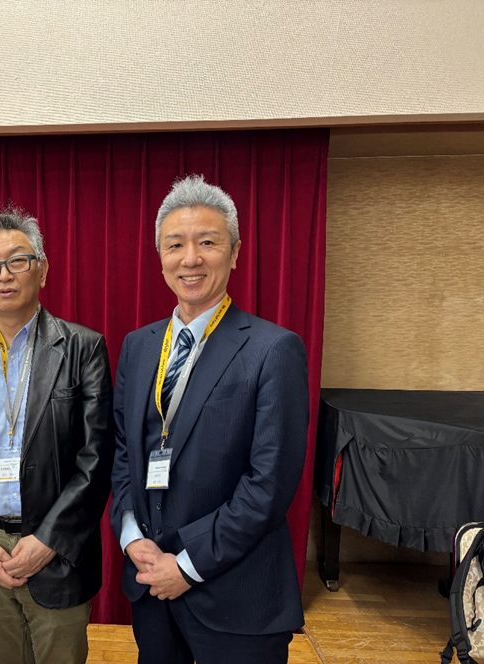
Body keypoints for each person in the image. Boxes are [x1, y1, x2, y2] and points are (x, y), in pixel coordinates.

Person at [110, 175, 309, 664]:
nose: (190, 259)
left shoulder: (273, 349)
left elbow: (268, 485)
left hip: (236, 595)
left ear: (235, 253)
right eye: (175, 244)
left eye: (207, 243)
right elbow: (123, 453)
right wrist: (132, 537)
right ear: (160, 256)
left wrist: (187, 565)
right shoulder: (138, 346)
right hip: (151, 587)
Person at [0, 206, 114, 664]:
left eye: (17, 261)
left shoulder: (82, 347)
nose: (4, 275)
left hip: (56, 550)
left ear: (42, 270)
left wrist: (49, 540)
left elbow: (96, 457)